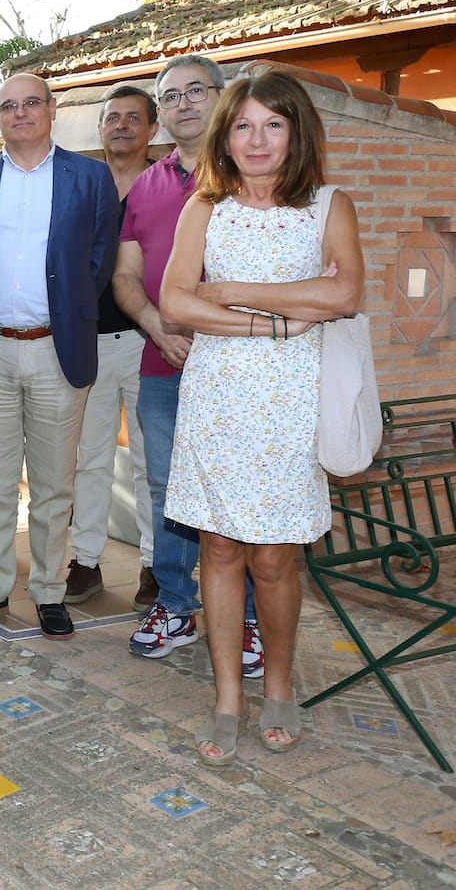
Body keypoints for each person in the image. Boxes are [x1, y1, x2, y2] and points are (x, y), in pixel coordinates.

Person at [159, 70, 362, 764]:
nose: (256, 138)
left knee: (274, 556)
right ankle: (226, 695)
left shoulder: (329, 206)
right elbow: (177, 303)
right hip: (218, 397)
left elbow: (343, 294)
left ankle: (279, 684)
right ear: (226, 134)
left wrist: (237, 292)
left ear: (295, 131)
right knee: (219, 550)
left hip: (291, 406)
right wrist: (271, 325)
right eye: (243, 124)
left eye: (272, 124)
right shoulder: (203, 209)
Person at [0, 73, 118, 640]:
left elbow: (99, 261)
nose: (20, 113)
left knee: (53, 485)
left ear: (52, 110)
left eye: (31, 104)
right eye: (8, 106)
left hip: (57, 349)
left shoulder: (91, 177)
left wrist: (63, 313)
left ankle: (49, 589)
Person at [114, 56, 264, 674]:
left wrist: (207, 329)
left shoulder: (254, 176)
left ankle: (250, 619)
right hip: (161, 361)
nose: (182, 105)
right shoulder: (146, 186)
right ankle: (176, 604)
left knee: (239, 490)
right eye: (170, 96)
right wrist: (155, 324)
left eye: (194, 92)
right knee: (166, 489)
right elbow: (125, 276)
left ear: (221, 97)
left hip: (239, 366)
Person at [65, 86, 156, 609]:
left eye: (132, 118)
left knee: (150, 459)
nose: (121, 125)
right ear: (100, 129)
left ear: (151, 127)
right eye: (112, 118)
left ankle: (153, 565)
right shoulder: (83, 185)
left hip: (150, 341)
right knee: (90, 458)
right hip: (91, 343)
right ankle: (87, 561)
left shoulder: (170, 186)